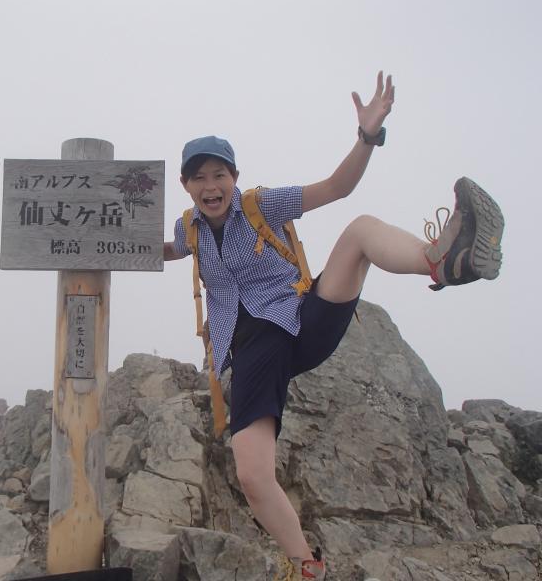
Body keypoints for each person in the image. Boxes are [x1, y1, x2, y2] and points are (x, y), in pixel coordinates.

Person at [163, 72, 503, 580]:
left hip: (301, 319)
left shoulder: (261, 204)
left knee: (360, 231)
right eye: (199, 178)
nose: (210, 186)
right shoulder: (188, 228)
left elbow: (337, 188)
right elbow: (170, 251)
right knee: (252, 476)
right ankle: (308, 567)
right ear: (186, 185)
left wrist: (367, 136)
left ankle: (441, 261)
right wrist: (107, 245)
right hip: (252, 351)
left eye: (219, 175)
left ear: (234, 177)